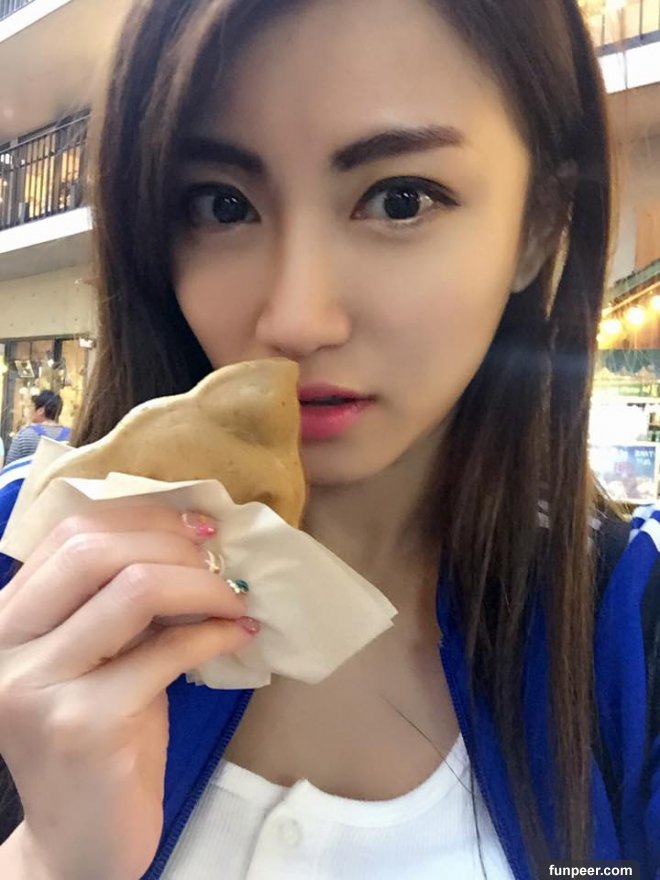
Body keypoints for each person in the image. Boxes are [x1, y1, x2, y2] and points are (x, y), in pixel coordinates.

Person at [0, 1, 657, 878]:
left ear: (539, 229)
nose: (296, 318)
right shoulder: (27, 562)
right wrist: (48, 858)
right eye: (222, 205)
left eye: (400, 199)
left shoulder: (629, 631)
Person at [3, 390, 71, 466]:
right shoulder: (72, 436)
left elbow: (9, 468)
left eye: (32, 407)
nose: (30, 411)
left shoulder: (25, 435)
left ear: (40, 411)